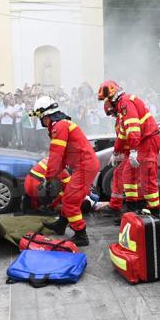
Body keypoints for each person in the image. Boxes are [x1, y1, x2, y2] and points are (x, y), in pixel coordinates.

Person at [29, 96, 99, 246]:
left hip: (85, 166)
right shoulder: (60, 125)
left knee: (70, 201)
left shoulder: (59, 127)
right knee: (68, 196)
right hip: (83, 165)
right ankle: (61, 224)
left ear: (46, 115)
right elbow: (61, 158)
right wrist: (52, 176)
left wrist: (48, 178)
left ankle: (81, 234)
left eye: (41, 117)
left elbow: (56, 155)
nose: (41, 121)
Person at [98, 80, 160, 217]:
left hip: (147, 141)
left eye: (108, 103)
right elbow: (122, 135)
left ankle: (153, 212)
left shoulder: (125, 103)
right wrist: (116, 152)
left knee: (145, 176)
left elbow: (133, 129)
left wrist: (132, 151)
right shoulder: (123, 108)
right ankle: (133, 209)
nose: (112, 114)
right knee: (127, 173)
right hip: (143, 142)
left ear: (112, 97)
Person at [94, 100, 127, 221]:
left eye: (111, 113)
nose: (112, 115)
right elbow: (121, 138)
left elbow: (129, 136)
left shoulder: (125, 116)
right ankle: (116, 205)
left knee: (128, 178)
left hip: (136, 151)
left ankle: (132, 210)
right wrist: (118, 152)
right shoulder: (120, 118)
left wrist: (129, 152)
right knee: (118, 173)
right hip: (129, 152)